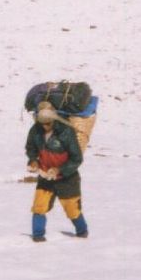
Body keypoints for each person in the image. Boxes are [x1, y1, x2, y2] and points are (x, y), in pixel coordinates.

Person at [25, 100, 88, 242]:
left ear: (53, 120)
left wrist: (60, 170)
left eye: (48, 123)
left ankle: (82, 232)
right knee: (38, 207)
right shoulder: (35, 130)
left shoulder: (66, 132)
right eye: (42, 124)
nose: (45, 127)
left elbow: (76, 158)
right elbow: (31, 148)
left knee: (72, 210)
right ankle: (38, 237)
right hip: (45, 177)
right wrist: (33, 160)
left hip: (67, 179)